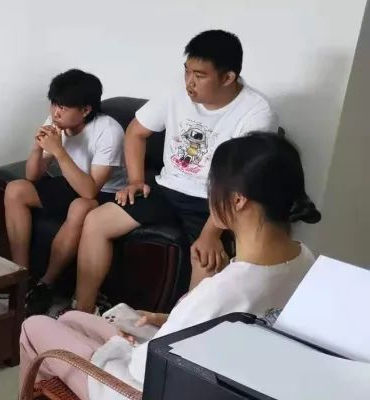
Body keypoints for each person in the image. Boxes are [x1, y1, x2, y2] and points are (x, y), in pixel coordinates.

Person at [16, 132, 320, 400]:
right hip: (222, 385)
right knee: (71, 320)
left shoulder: (221, 291)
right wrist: (167, 320)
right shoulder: (305, 260)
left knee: (33, 327)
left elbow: (143, 369)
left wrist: (126, 345)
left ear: (238, 200)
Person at [73, 30, 279, 314]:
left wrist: (211, 234)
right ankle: (82, 312)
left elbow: (240, 183)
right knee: (96, 221)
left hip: (214, 202)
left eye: (199, 75)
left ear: (228, 78)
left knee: (206, 259)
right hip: (167, 189)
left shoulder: (256, 113)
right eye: (187, 71)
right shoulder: (176, 96)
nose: (189, 82)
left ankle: (177, 332)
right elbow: (136, 132)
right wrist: (136, 180)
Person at [1, 69, 127, 316]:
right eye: (54, 104)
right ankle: (20, 275)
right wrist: (37, 148)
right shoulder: (55, 122)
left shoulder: (108, 131)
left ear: (85, 110)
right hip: (72, 181)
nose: (55, 112)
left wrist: (58, 151)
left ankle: (45, 284)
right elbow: (32, 176)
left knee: (80, 206)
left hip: (106, 192)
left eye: (63, 107)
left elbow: (90, 191)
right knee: (16, 189)